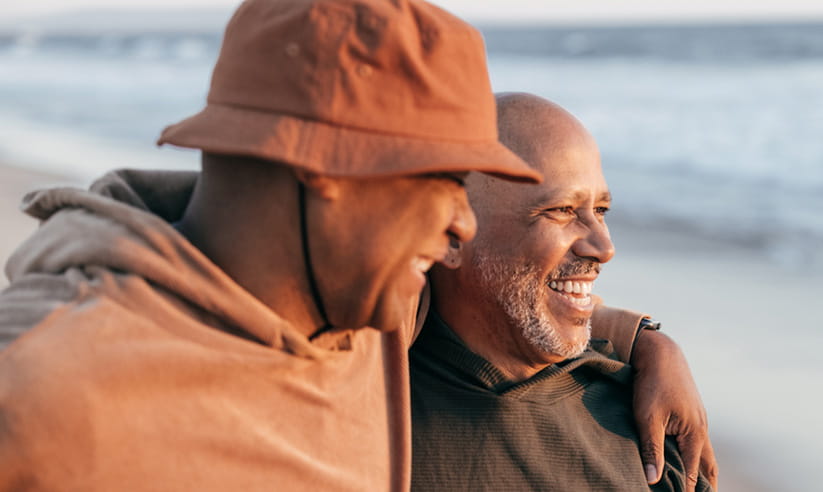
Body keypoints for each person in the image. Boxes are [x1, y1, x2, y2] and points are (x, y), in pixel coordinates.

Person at [0, 0, 714, 490]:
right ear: (327, 176)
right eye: (440, 181)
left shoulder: (368, 316)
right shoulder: (44, 390)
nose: (460, 225)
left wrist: (643, 338)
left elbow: (499, 294)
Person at [410, 93, 714, 492]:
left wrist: (650, 342)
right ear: (451, 235)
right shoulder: (363, 401)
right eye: (562, 210)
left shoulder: (647, 430)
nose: (604, 247)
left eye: (600, 211)